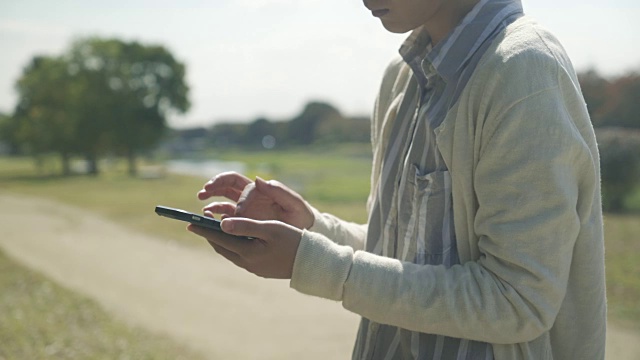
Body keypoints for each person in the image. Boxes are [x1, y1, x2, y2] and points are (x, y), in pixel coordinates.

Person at [187, 0, 607, 358]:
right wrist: (312, 229)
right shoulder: (403, 76)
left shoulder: (523, 70)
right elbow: (408, 251)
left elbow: (518, 300)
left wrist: (314, 264)